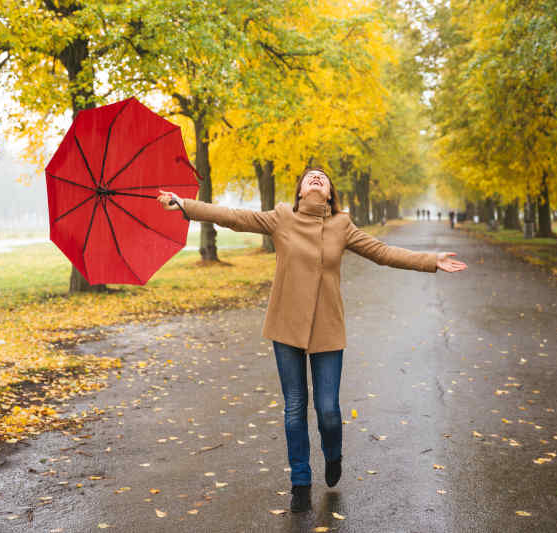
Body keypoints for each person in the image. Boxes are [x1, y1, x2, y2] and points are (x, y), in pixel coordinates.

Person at [157, 167, 467, 513]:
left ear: (331, 192)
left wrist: (431, 260)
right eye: (310, 177)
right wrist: (183, 204)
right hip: (286, 326)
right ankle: (300, 482)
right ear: (300, 191)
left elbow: (382, 252)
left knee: (329, 410)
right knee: (294, 407)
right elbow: (233, 216)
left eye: (322, 177)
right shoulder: (281, 218)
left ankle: (333, 455)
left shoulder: (341, 225)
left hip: (327, 329)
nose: (316, 178)